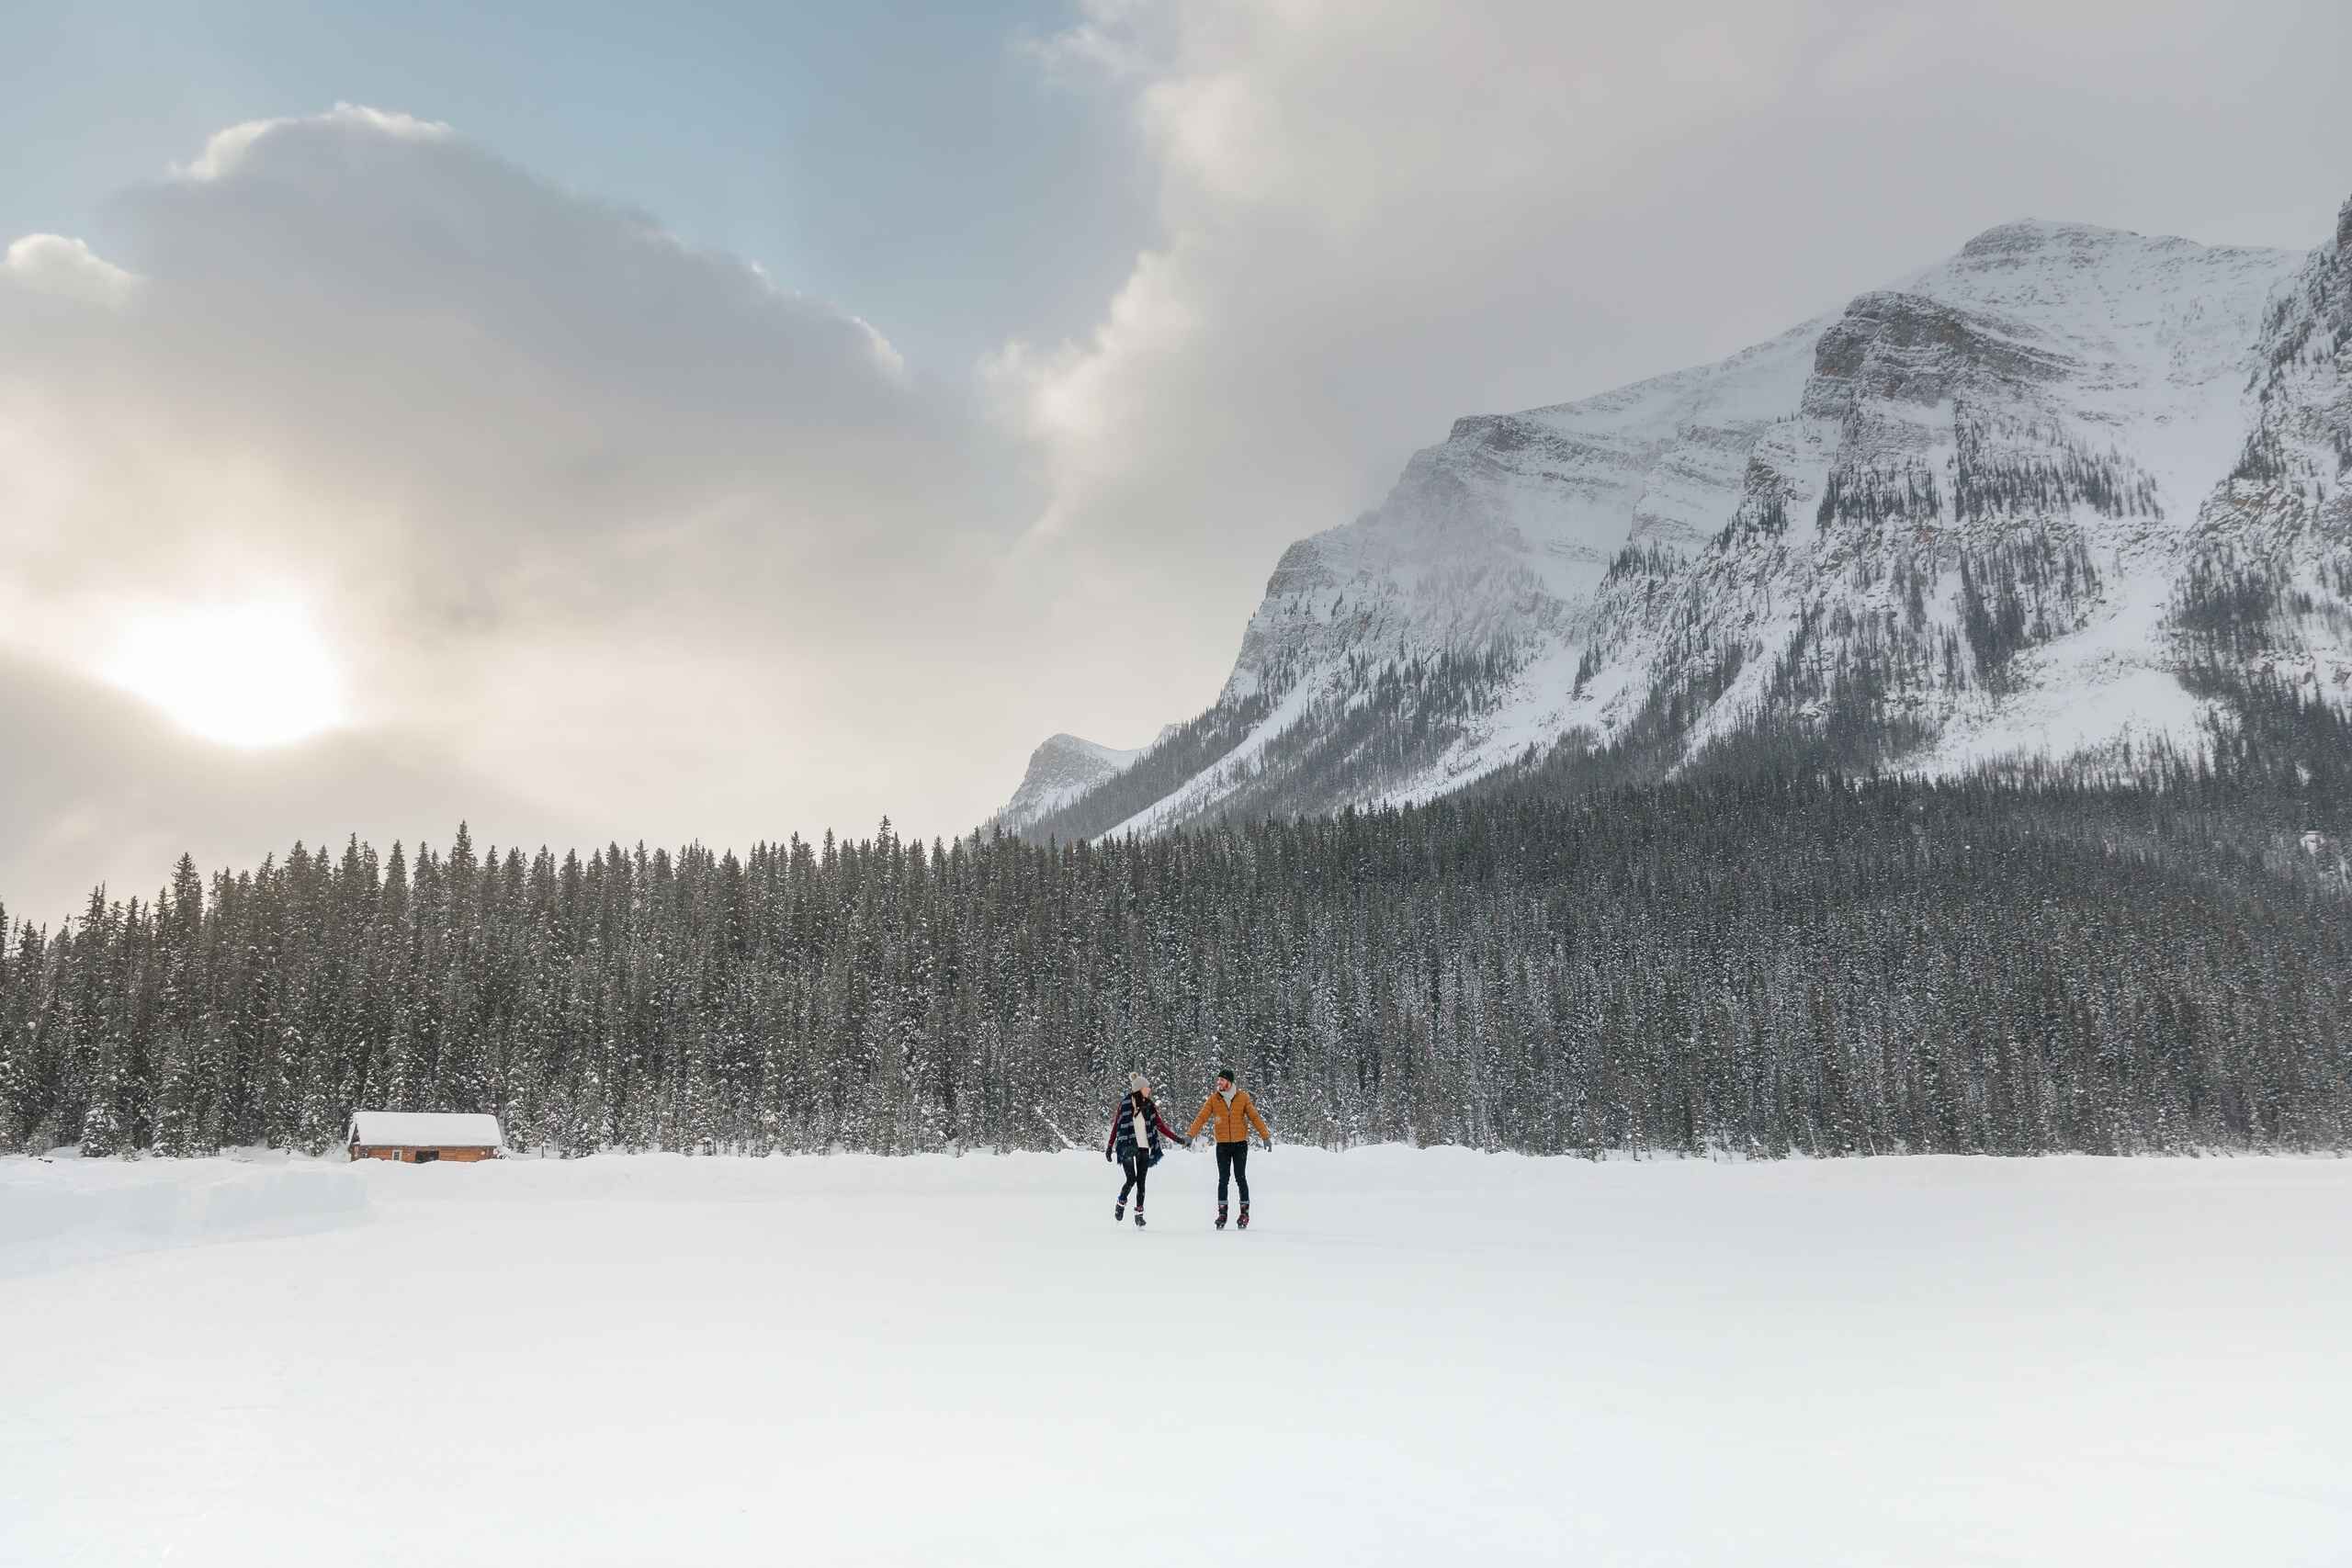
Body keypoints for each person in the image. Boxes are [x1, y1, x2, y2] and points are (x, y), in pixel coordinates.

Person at [1186, 1068, 1272, 1230]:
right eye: (1218, 1080)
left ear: (1230, 1082)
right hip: (1223, 1146)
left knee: (1240, 1178)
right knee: (1223, 1179)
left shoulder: (1243, 1098)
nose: (1219, 1083)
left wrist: (1265, 1136)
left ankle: (1244, 1214)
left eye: (1222, 1080)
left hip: (1240, 1145)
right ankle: (1222, 1214)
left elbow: (1254, 1117)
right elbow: (1201, 1117)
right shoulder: (1214, 1099)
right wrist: (1191, 1135)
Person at [1105, 1073, 1187, 1228]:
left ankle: (1139, 1214)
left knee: (1141, 1182)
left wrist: (1177, 1139)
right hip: (1128, 1145)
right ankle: (1121, 1202)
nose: (1149, 1089)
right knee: (1131, 1179)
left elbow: (1161, 1126)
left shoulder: (1149, 1106)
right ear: (1139, 1088)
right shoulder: (1125, 1104)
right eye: (1147, 1087)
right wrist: (1110, 1146)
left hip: (1144, 1147)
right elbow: (1117, 1125)